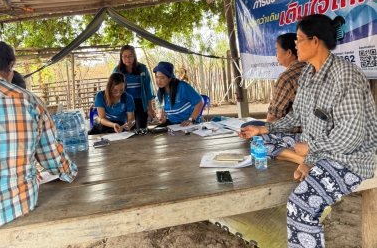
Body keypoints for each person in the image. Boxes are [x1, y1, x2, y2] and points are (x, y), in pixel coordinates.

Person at [237, 14, 377, 247]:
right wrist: (263, 129)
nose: (295, 45)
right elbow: (296, 116)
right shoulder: (308, 74)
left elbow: (351, 137)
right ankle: (308, 159)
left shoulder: (346, 76)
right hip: (318, 149)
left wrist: (312, 149)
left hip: (350, 158)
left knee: (300, 205)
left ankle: (309, 160)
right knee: (261, 142)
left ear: (315, 41)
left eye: (299, 40)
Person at [0, 39, 78, 247]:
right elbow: (53, 159)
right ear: (10, 67)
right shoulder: (31, 102)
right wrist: (70, 172)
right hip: (19, 205)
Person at [242, 33, 306, 128]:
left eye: (277, 50)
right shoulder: (311, 69)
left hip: (294, 129)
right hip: (313, 128)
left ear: (289, 52)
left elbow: (273, 118)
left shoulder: (287, 77)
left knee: (246, 127)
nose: (276, 55)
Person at [113, 45, 156, 129]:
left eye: (130, 56)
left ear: (134, 56)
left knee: (141, 128)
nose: (127, 59)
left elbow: (148, 89)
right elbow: (112, 89)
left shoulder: (143, 69)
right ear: (121, 57)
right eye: (124, 56)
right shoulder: (117, 70)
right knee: (128, 128)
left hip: (140, 102)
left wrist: (150, 108)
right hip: (125, 103)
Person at [153, 61, 203, 127]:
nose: (158, 80)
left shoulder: (182, 86)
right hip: (173, 124)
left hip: (190, 123)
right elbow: (163, 108)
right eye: (157, 77)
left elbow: (200, 102)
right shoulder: (160, 93)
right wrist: (163, 118)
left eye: (162, 78)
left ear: (170, 78)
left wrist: (191, 120)